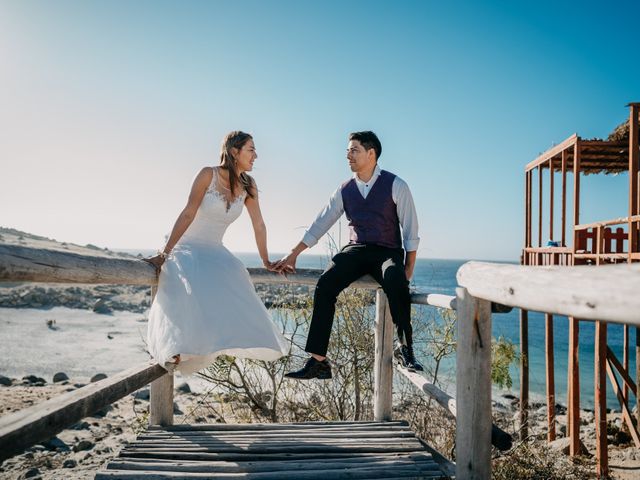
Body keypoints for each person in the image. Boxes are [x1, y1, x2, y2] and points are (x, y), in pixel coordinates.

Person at [276, 131, 422, 379]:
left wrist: (408, 268)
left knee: (395, 279)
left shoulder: (397, 185)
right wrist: (293, 254)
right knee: (325, 284)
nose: (348, 155)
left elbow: (410, 229)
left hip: (387, 251)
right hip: (356, 249)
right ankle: (318, 361)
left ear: (371, 153)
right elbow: (320, 223)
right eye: (347, 151)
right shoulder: (344, 189)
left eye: (354, 150)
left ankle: (405, 349)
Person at [145, 131, 288, 375]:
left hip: (215, 249)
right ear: (234, 151)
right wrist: (164, 253)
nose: (256, 155)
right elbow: (188, 213)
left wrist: (266, 260)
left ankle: (213, 342)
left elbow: (259, 224)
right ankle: (180, 349)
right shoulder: (207, 174)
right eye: (251, 149)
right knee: (190, 279)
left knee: (235, 273)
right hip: (186, 246)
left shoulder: (248, 185)